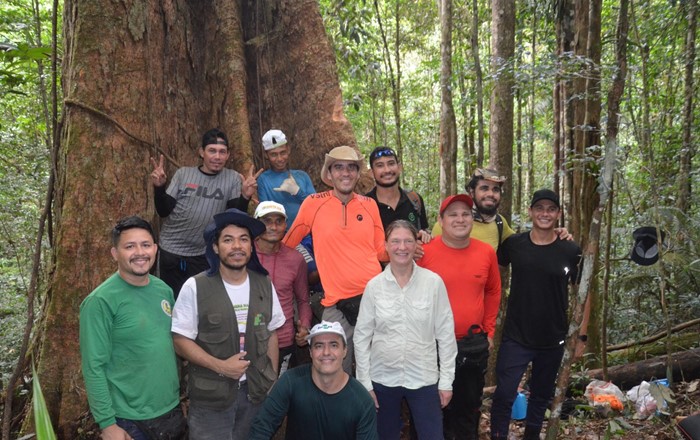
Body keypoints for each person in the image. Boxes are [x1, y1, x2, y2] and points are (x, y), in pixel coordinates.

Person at [171, 209, 286, 440]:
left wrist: (271, 379)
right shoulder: (196, 286)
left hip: (255, 394)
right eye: (228, 240)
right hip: (211, 398)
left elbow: (271, 333)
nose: (237, 246)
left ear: (251, 247)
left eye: (243, 239)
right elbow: (180, 340)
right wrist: (221, 366)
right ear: (215, 247)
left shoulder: (263, 284)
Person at [490, 189, 583, 440]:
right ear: (531, 211)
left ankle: (531, 435)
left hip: (553, 338)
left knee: (541, 395)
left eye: (551, 209)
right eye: (539, 208)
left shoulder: (570, 250)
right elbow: (489, 262)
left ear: (558, 214)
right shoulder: (514, 245)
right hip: (516, 336)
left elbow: (584, 292)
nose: (545, 213)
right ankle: (498, 435)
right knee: (504, 394)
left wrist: (581, 337)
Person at [283, 145, 386, 373]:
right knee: (334, 370)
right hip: (335, 306)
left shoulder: (369, 205)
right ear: (329, 174)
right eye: (338, 167)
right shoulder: (314, 203)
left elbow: (381, 251)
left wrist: (409, 245)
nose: (345, 173)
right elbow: (288, 242)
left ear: (358, 174)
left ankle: (373, 409)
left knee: (377, 370)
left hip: (376, 300)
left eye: (351, 168)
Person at [80, 216, 184, 440]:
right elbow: (93, 366)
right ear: (115, 254)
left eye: (146, 245)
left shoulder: (163, 290)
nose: (140, 252)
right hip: (129, 419)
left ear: (155, 249)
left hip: (170, 408)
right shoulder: (100, 301)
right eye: (130, 246)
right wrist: (108, 424)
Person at [354, 220, 457, 440]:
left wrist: (446, 381)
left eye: (408, 241)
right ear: (386, 245)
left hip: (424, 379)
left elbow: (446, 336)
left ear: (416, 244)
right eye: (396, 241)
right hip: (382, 379)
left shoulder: (433, 283)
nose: (402, 247)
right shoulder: (374, 287)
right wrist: (365, 384)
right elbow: (362, 338)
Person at [418, 194, 501, 440]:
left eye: (465, 214)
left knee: (467, 410)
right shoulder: (424, 254)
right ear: (441, 221)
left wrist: (489, 331)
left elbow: (493, 291)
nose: (460, 219)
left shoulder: (485, 252)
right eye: (453, 214)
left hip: (471, 345)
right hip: (431, 346)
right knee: (432, 411)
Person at [150, 128, 261, 297]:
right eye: (212, 151)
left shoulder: (231, 178)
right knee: (168, 299)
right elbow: (164, 210)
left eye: (222, 152)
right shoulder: (183, 174)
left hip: (203, 253)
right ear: (202, 152)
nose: (217, 157)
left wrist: (245, 196)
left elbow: (234, 217)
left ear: (228, 155)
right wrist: (159, 188)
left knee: (200, 300)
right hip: (171, 250)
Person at [249, 321, 379, 440]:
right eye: (319, 346)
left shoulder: (362, 402)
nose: (326, 352)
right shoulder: (290, 382)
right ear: (310, 352)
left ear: (345, 351)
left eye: (334, 345)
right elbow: (262, 427)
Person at [253, 201, 312, 373]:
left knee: (277, 392)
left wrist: (304, 326)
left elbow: (303, 299)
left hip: (283, 340)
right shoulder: (245, 255)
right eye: (266, 221)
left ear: (286, 225)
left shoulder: (295, 259)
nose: (273, 226)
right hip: (249, 337)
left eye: (279, 221)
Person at [432, 167, 514, 250]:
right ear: (472, 192)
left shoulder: (499, 222)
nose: (490, 194)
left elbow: (520, 243)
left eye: (496, 190)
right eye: (484, 188)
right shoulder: (447, 225)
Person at [365, 146, 431, 243]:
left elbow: (423, 231)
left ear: (399, 167)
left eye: (391, 163)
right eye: (380, 165)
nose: (387, 170)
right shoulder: (364, 205)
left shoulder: (414, 200)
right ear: (371, 173)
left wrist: (423, 237)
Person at [257, 129, 316, 229]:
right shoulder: (263, 179)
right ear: (266, 155)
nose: (279, 159)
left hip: (306, 234)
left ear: (288, 150)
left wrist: (297, 192)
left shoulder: (302, 176)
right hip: (280, 236)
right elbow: (266, 213)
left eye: (282, 152)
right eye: (273, 154)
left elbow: (315, 206)